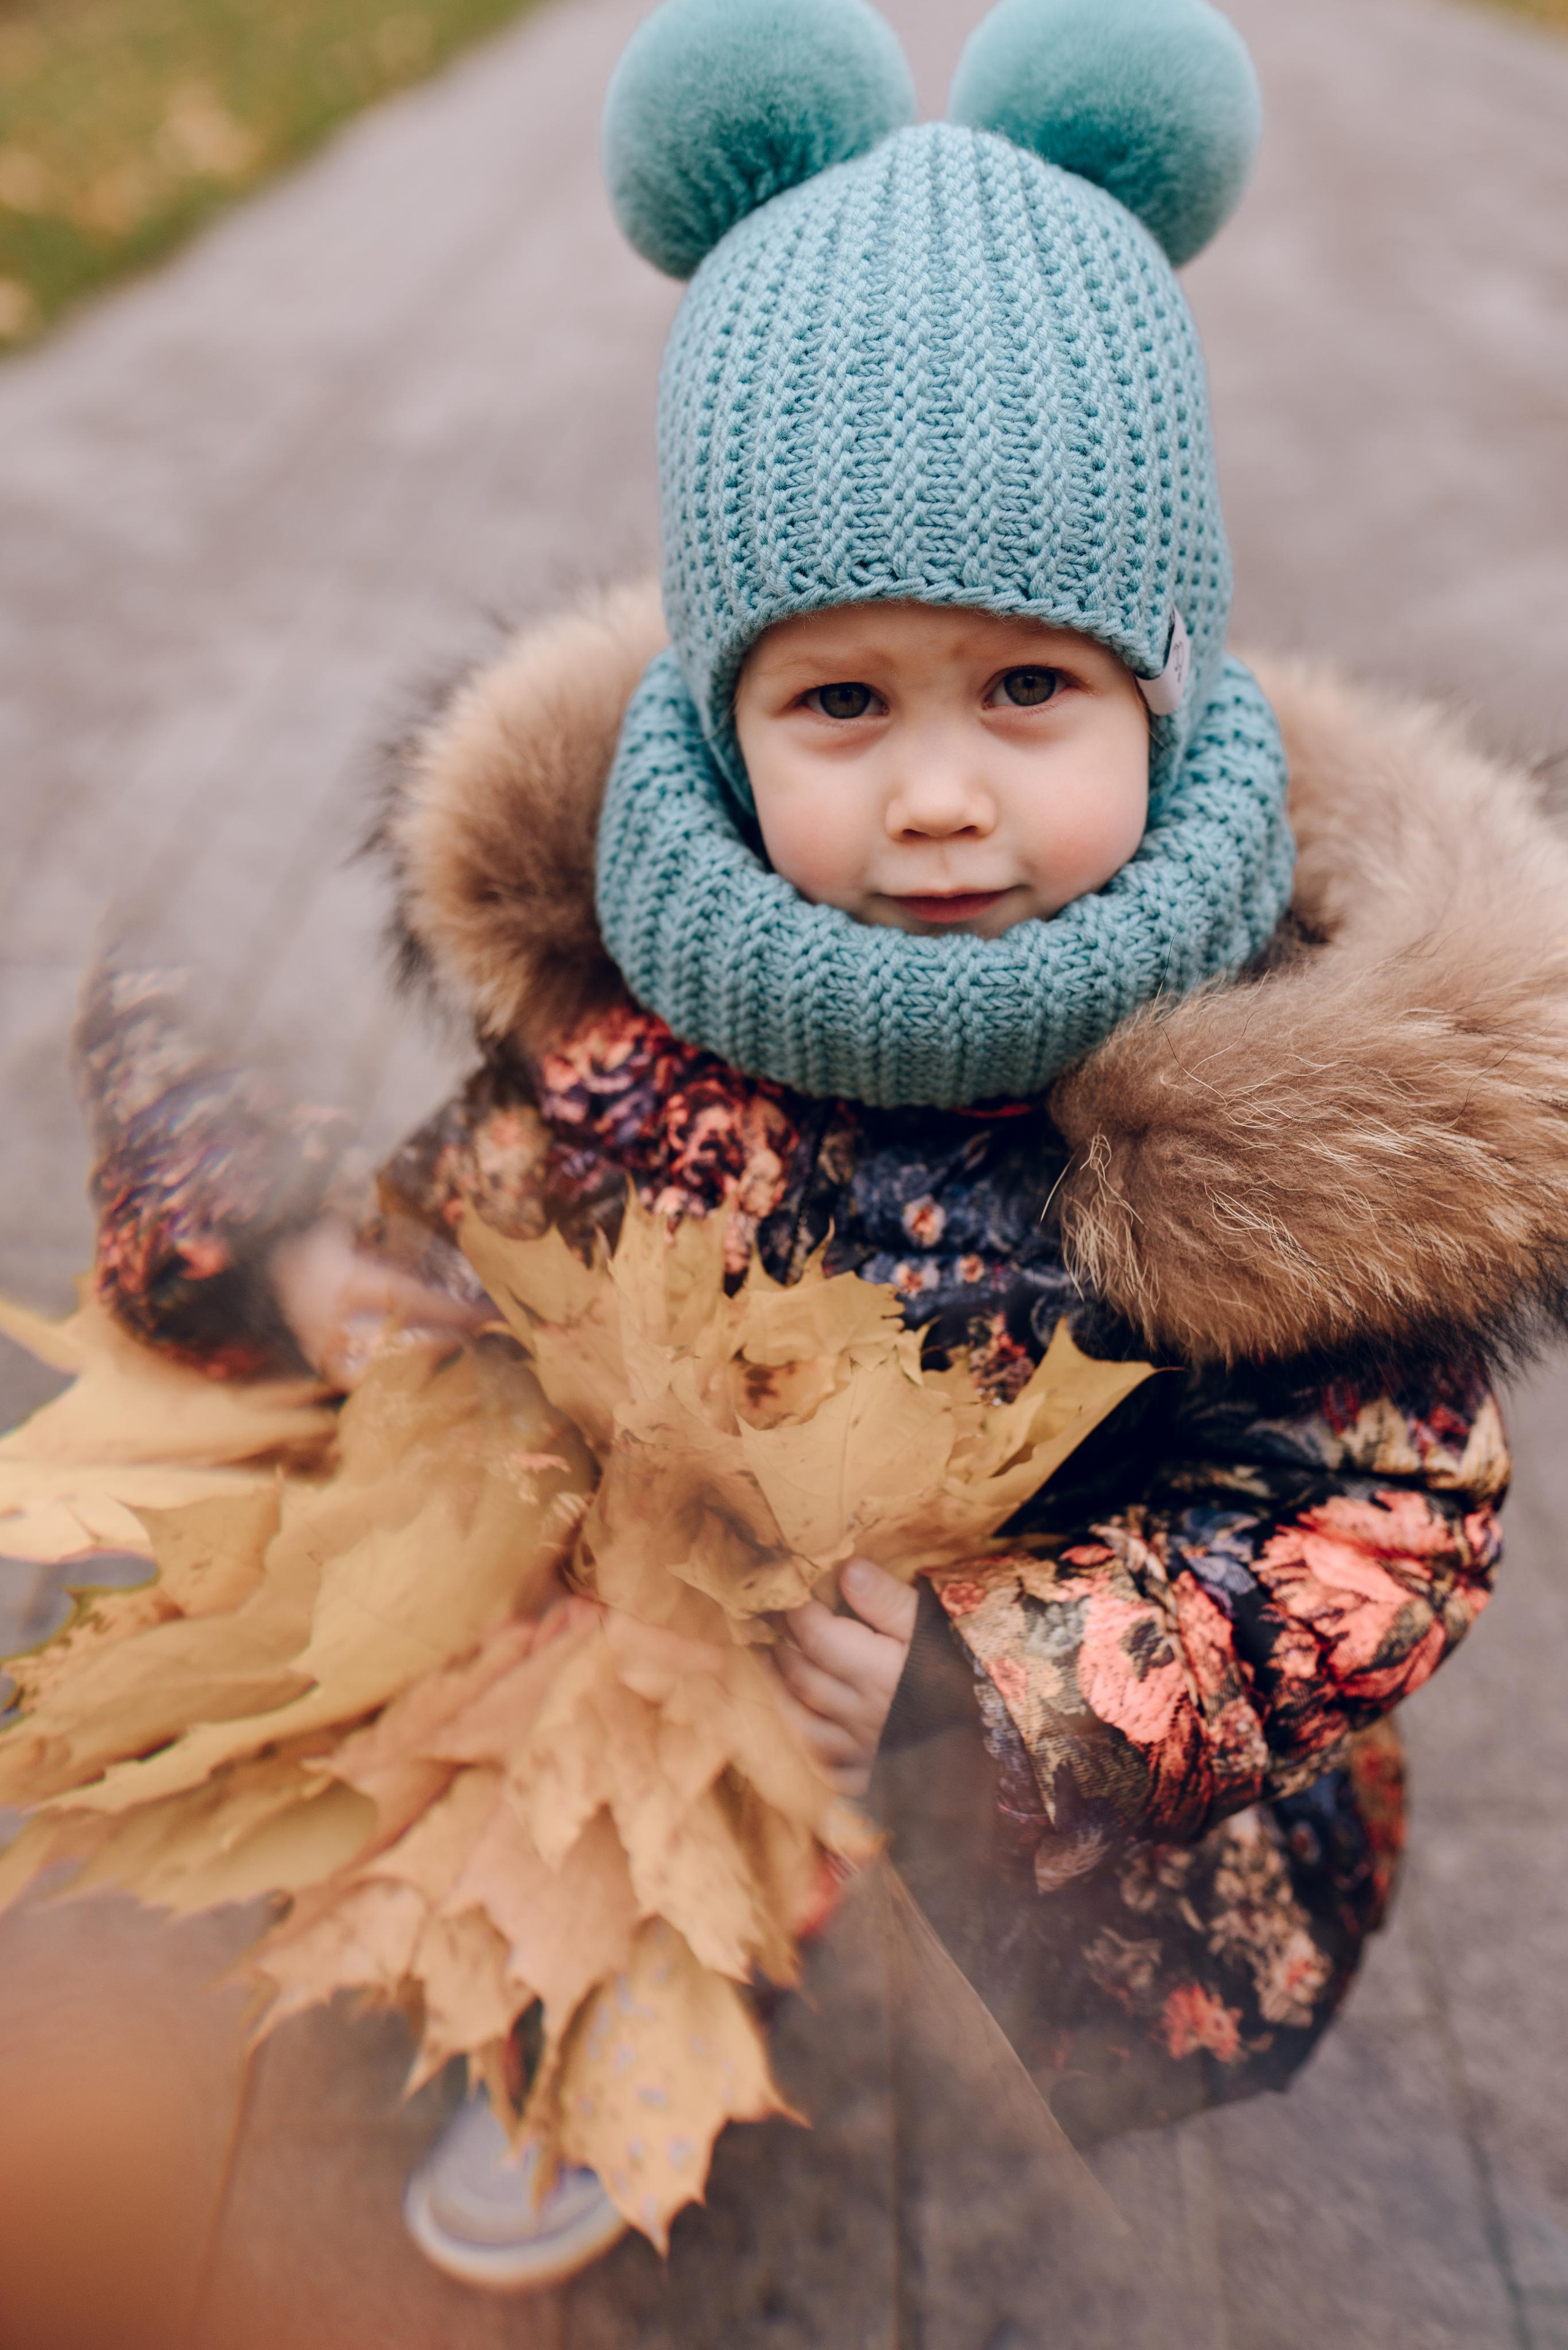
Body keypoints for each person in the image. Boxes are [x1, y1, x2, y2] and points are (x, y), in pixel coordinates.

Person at [70, 0, 1568, 2297]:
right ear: (724, 716)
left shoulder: (1277, 1105)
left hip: (1005, 1730)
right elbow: (499, 1195)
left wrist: (1039, 1674)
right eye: (843, 701)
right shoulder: (646, 990)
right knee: (573, 1736)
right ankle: (617, 1970)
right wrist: (307, 1269)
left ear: (1159, 687)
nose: (941, 794)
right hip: (681, 1637)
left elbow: (1385, 1522)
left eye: (1030, 690)